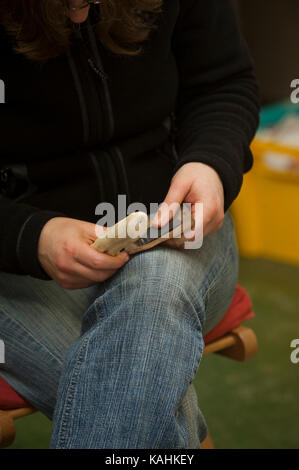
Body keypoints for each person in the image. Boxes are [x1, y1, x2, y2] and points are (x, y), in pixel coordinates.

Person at [0, 0, 260, 449]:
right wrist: (30, 237)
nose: (81, 16)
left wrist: (211, 164)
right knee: (134, 384)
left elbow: (223, 83)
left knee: (154, 289)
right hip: (15, 270)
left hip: (174, 239)